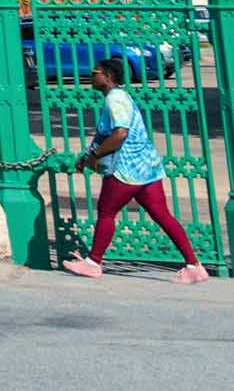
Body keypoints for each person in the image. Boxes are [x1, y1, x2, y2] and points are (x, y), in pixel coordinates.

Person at [64, 57, 209, 283]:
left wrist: (94, 155)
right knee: (162, 215)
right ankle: (194, 265)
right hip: (147, 167)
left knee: (107, 212)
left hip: (127, 167)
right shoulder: (121, 97)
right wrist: (87, 156)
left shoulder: (115, 100)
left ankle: (93, 262)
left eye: (96, 72)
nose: (92, 76)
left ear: (108, 77)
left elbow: (120, 133)